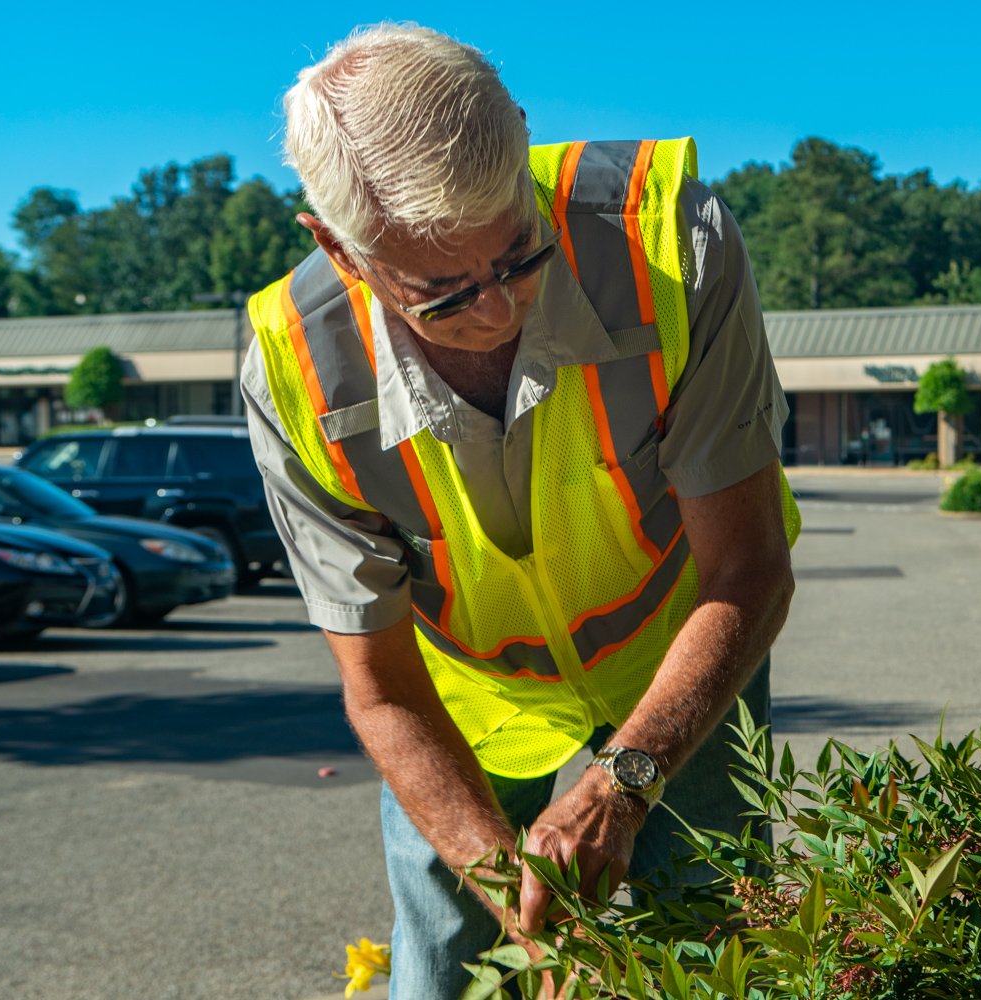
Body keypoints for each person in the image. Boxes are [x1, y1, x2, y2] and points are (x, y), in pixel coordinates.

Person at [240, 23, 798, 997]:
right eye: (442, 294)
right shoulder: (294, 362)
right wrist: (525, 907)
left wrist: (630, 777)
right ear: (338, 247)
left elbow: (746, 568)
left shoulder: (671, 238)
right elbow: (379, 690)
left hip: (681, 650)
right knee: (447, 970)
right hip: (463, 701)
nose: (496, 311)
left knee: (725, 948)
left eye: (519, 255)